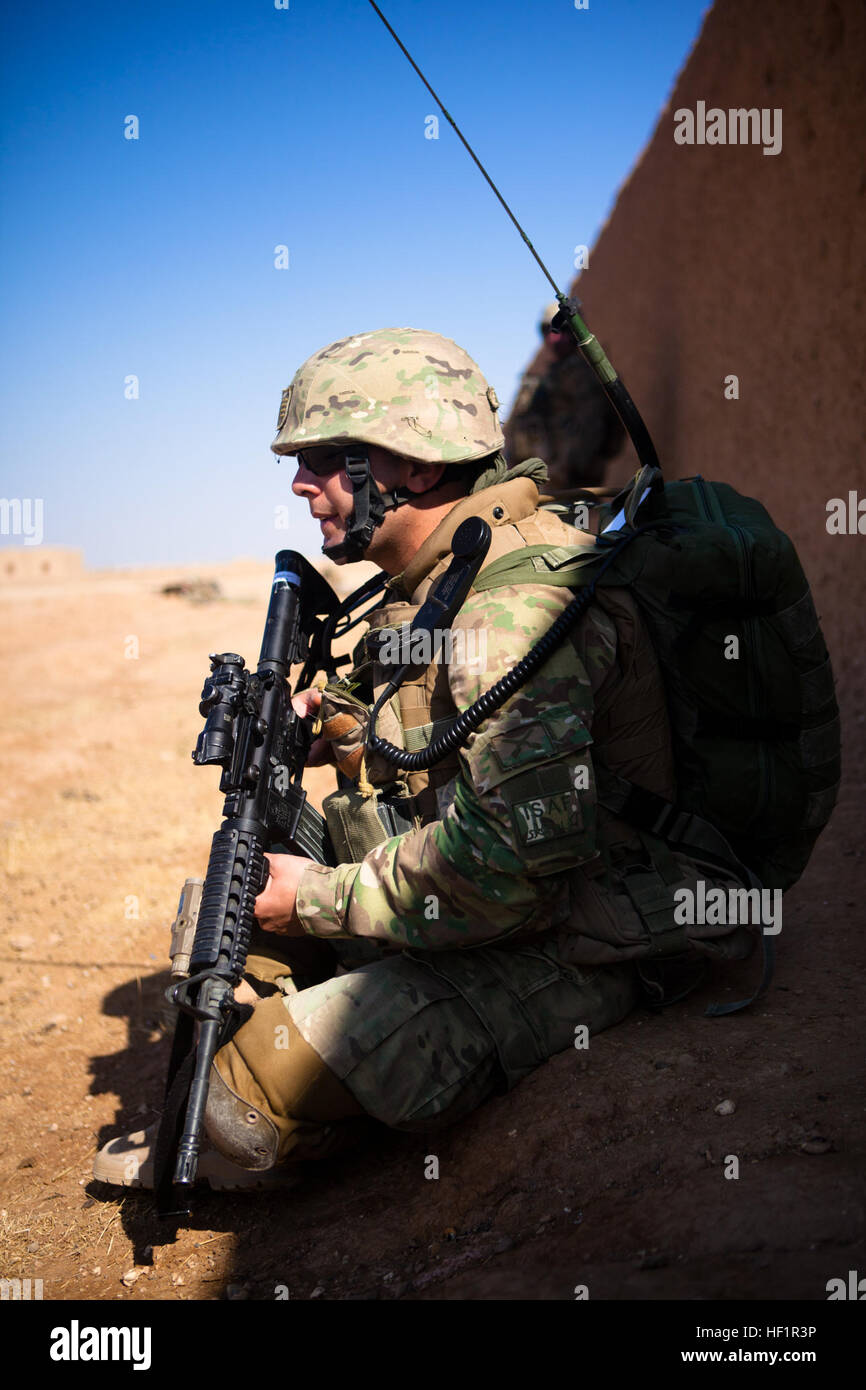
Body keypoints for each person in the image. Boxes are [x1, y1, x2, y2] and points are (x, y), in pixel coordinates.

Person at [94, 326, 756, 1189]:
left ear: (413, 466)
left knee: (249, 1086)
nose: (300, 482)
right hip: (487, 901)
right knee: (221, 925)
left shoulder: (513, 610)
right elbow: (417, 723)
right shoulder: (442, 578)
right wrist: (330, 723)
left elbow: (506, 872)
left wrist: (320, 900)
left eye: (328, 456)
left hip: (581, 938)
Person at [505, 302, 625, 493]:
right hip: (543, 485)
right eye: (548, 331)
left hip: (572, 489)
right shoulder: (545, 380)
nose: (553, 338)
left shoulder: (589, 380)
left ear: (574, 334)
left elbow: (592, 435)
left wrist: (560, 473)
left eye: (561, 330)